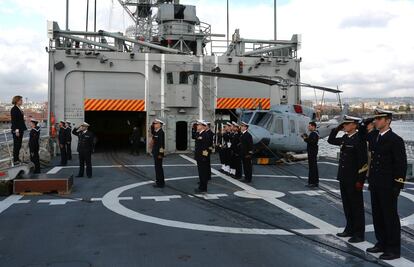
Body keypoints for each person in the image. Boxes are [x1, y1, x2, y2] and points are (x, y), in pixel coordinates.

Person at [364, 108, 407, 260]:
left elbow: (401, 165)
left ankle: (393, 249)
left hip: (388, 185)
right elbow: (363, 131)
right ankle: (381, 243)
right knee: (377, 215)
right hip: (376, 183)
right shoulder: (375, 137)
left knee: (390, 217)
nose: (375, 121)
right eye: (375, 119)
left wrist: (398, 185)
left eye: (379, 119)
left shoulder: (395, 140)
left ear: (388, 121)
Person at [328, 115, 368, 243]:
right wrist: (337, 129)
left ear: (354, 125)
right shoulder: (345, 138)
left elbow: (363, 162)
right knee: (347, 205)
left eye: (346, 124)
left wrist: (360, 180)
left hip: (354, 179)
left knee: (356, 207)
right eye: (343, 124)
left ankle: (359, 233)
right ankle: (349, 229)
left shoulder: (359, 140)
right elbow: (331, 140)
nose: (344, 126)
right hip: (344, 177)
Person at [301, 121, 319, 187]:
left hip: (312, 152)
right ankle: (315, 182)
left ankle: (312, 183)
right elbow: (312, 141)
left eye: (309, 126)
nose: (308, 127)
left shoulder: (313, 133)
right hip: (313, 151)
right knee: (313, 167)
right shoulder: (316, 133)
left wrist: (305, 138)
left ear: (313, 126)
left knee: (312, 167)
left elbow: (312, 142)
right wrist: (307, 138)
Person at [194, 120, 210, 193]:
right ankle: (201, 186)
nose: (197, 126)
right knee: (200, 172)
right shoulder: (199, 134)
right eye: (197, 125)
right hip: (199, 156)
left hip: (202, 157)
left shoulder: (205, 135)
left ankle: (203, 188)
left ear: (203, 126)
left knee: (203, 173)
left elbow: (206, 147)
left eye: (199, 125)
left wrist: (204, 157)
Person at [10, 95, 27, 164]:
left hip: (20, 129)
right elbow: (14, 120)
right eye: (20, 100)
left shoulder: (19, 108)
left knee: (19, 144)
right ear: (17, 101)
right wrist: (16, 130)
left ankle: (17, 159)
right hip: (17, 130)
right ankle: (15, 160)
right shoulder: (14, 109)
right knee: (16, 145)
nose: (22, 101)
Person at [151, 119, 165, 188]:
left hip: (158, 153)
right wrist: (152, 125)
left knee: (159, 168)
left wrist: (160, 154)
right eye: (154, 123)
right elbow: (152, 132)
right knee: (157, 168)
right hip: (155, 152)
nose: (154, 125)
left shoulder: (161, 132)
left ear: (160, 124)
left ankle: (160, 183)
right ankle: (158, 181)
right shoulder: (156, 132)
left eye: (156, 123)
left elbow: (162, 144)